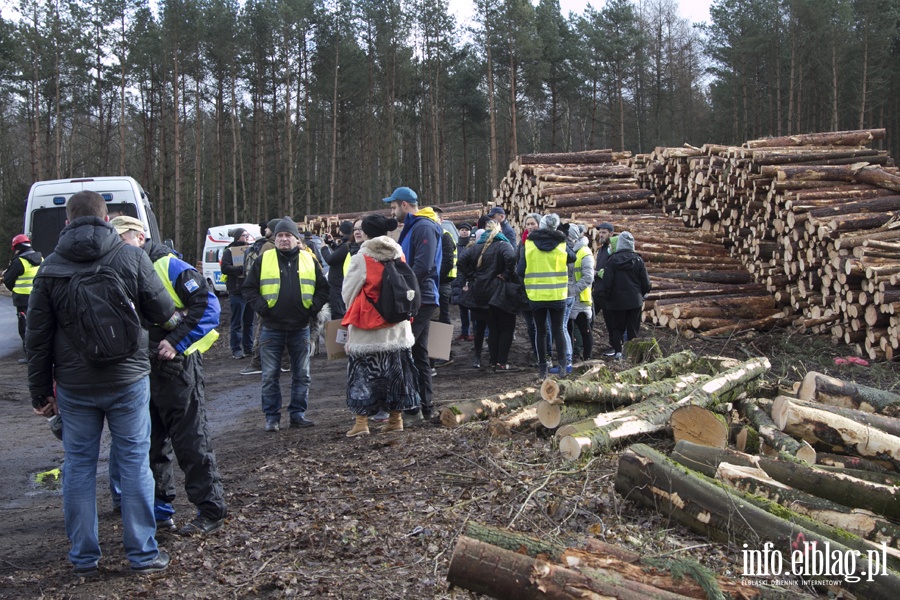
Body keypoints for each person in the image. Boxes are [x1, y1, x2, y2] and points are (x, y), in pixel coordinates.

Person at [26, 190, 175, 575]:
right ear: (107, 219)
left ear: (67, 222)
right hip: (127, 379)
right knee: (133, 463)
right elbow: (163, 309)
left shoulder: (51, 267)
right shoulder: (130, 256)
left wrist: (40, 392)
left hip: (75, 387)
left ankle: (84, 558)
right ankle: (142, 555)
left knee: (77, 466)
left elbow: (37, 337)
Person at [110, 216, 227, 537]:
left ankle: (211, 510)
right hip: (139, 371)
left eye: (124, 238)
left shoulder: (168, 264)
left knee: (191, 442)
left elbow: (208, 306)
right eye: (115, 239)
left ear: (140, 236)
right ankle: (162, 514)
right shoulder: (118, 268)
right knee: (150, 447)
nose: (119, 245)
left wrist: (175, 342)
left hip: (178, 371)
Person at [242, 217, 329, 432]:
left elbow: (323, 289)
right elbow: (248, 289)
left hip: (301, 328)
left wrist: (312, 309)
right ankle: (272, 418)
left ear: (296, 239)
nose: (283, 239)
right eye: (280, 235)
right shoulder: (264, 259)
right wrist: (263, 308)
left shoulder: (309, 260)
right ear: (275, 237)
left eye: (288, 235)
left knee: (302, 375)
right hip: (272, 328)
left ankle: (298, 415)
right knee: (270, 376)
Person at [341, 214, 421, 436]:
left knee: (363, 375)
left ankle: (361, 423)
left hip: (369, 329)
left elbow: (348, 293)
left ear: (366, 233)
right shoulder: (398, 253)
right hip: (397, 328)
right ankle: (396, 420)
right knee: (397, 375)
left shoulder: (362, 257)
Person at [384, 186, 442, 420]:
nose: (392, 212)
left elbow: (424, 265)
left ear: (404, 205)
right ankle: (424, 406)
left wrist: (403, 289)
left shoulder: (424, 227)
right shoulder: (414, 227)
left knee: (404, 349)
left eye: (393, 207)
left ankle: (411, 406)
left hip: (420, 298)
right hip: (419, 296)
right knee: (419, 352)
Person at [517, 213, 575, 380]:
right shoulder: (561, 244)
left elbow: (520, 270)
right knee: (558, 330)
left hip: (536, 294)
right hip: (557, 294)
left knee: (540, 331)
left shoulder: (529, 244)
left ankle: (543, 368)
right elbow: (573, 257)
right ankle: (563, 366)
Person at [457, 220, 519, 371]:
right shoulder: (503, 244)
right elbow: (511, 258)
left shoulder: (477, 246)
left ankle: (493, 361)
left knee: (493, 327)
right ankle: (501, 363)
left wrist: (473, 276)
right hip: (499, 291)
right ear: (499, 230)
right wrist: (505, 273)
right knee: (506, 327)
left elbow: (461, 262)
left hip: (481, 292)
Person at [598, 231, 651, 360]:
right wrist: (641, 295)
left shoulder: (612, 261)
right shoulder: (638, 260)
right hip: (634, 301)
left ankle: (618, 352)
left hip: (616, 301)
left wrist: (608, 297)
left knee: (617, 328)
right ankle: (632, 354)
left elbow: (607, 282)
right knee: (633, 329)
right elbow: (646, 283)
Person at [3, 234, 42, 362]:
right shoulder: (41, 259)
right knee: (40, 326)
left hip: (22, 299)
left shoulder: (19, 261)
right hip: (39, 298)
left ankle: (29, 356)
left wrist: (15, 290)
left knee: (25, 327)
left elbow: (8, 280)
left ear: (17, 247)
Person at [221, 228, 255, 359]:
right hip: (236, 291)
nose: (246, 237)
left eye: (247, 235)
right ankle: (236, 349)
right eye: (243, 235)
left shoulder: (251, 250)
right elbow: (225, 268)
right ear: (237, 237)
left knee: (249, 322)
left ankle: (248, 347)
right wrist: (241, 269)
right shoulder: (229, 251)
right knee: (237, 322)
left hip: (249, 291)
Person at [566, 224, 595, 363]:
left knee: (585, 330)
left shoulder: (585, 252)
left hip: (580, 299)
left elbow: (588, 277)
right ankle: (572, 356)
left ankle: (588, 357)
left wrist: (573, 290)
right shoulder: (566, 251)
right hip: (568, 297)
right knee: (568, 330)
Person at [517, 214, 542, 364]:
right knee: (530, 325)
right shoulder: (523, 242)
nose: (530, 226)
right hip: (524, 288)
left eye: (533, 223)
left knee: (541, 324)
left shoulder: (543, 241)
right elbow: (517, 261)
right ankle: (535, 350)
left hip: (539, 288)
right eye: (528, 224)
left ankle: (543, 353)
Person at [325, 220, 359, 320]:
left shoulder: (346, 246)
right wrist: (331, 243)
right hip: (340, 284)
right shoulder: (348, 245)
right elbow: (338, 254)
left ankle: (339, 333)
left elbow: (331, 260)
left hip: (338, 285)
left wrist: (324, 248)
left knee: (338, 314)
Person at [592, 222, 616, 355]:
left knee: (611, 321)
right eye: (600, 232)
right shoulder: (601, 249)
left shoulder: (612, 249)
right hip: (598, 290)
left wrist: (599, 272)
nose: (601, 235)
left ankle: (615, 346)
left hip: (608, 292)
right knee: (587, 316)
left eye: (604, 232)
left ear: (611, 234)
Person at [452, 223, 474, 341]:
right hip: (457, 280)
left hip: (468, 280)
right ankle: (464, 332)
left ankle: (472, 332)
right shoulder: (456, 247)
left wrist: (467, 281)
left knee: (471, 307)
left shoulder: (471, 246)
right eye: (462, 230)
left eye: (466, 230)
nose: (464, 232)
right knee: (462, 308)